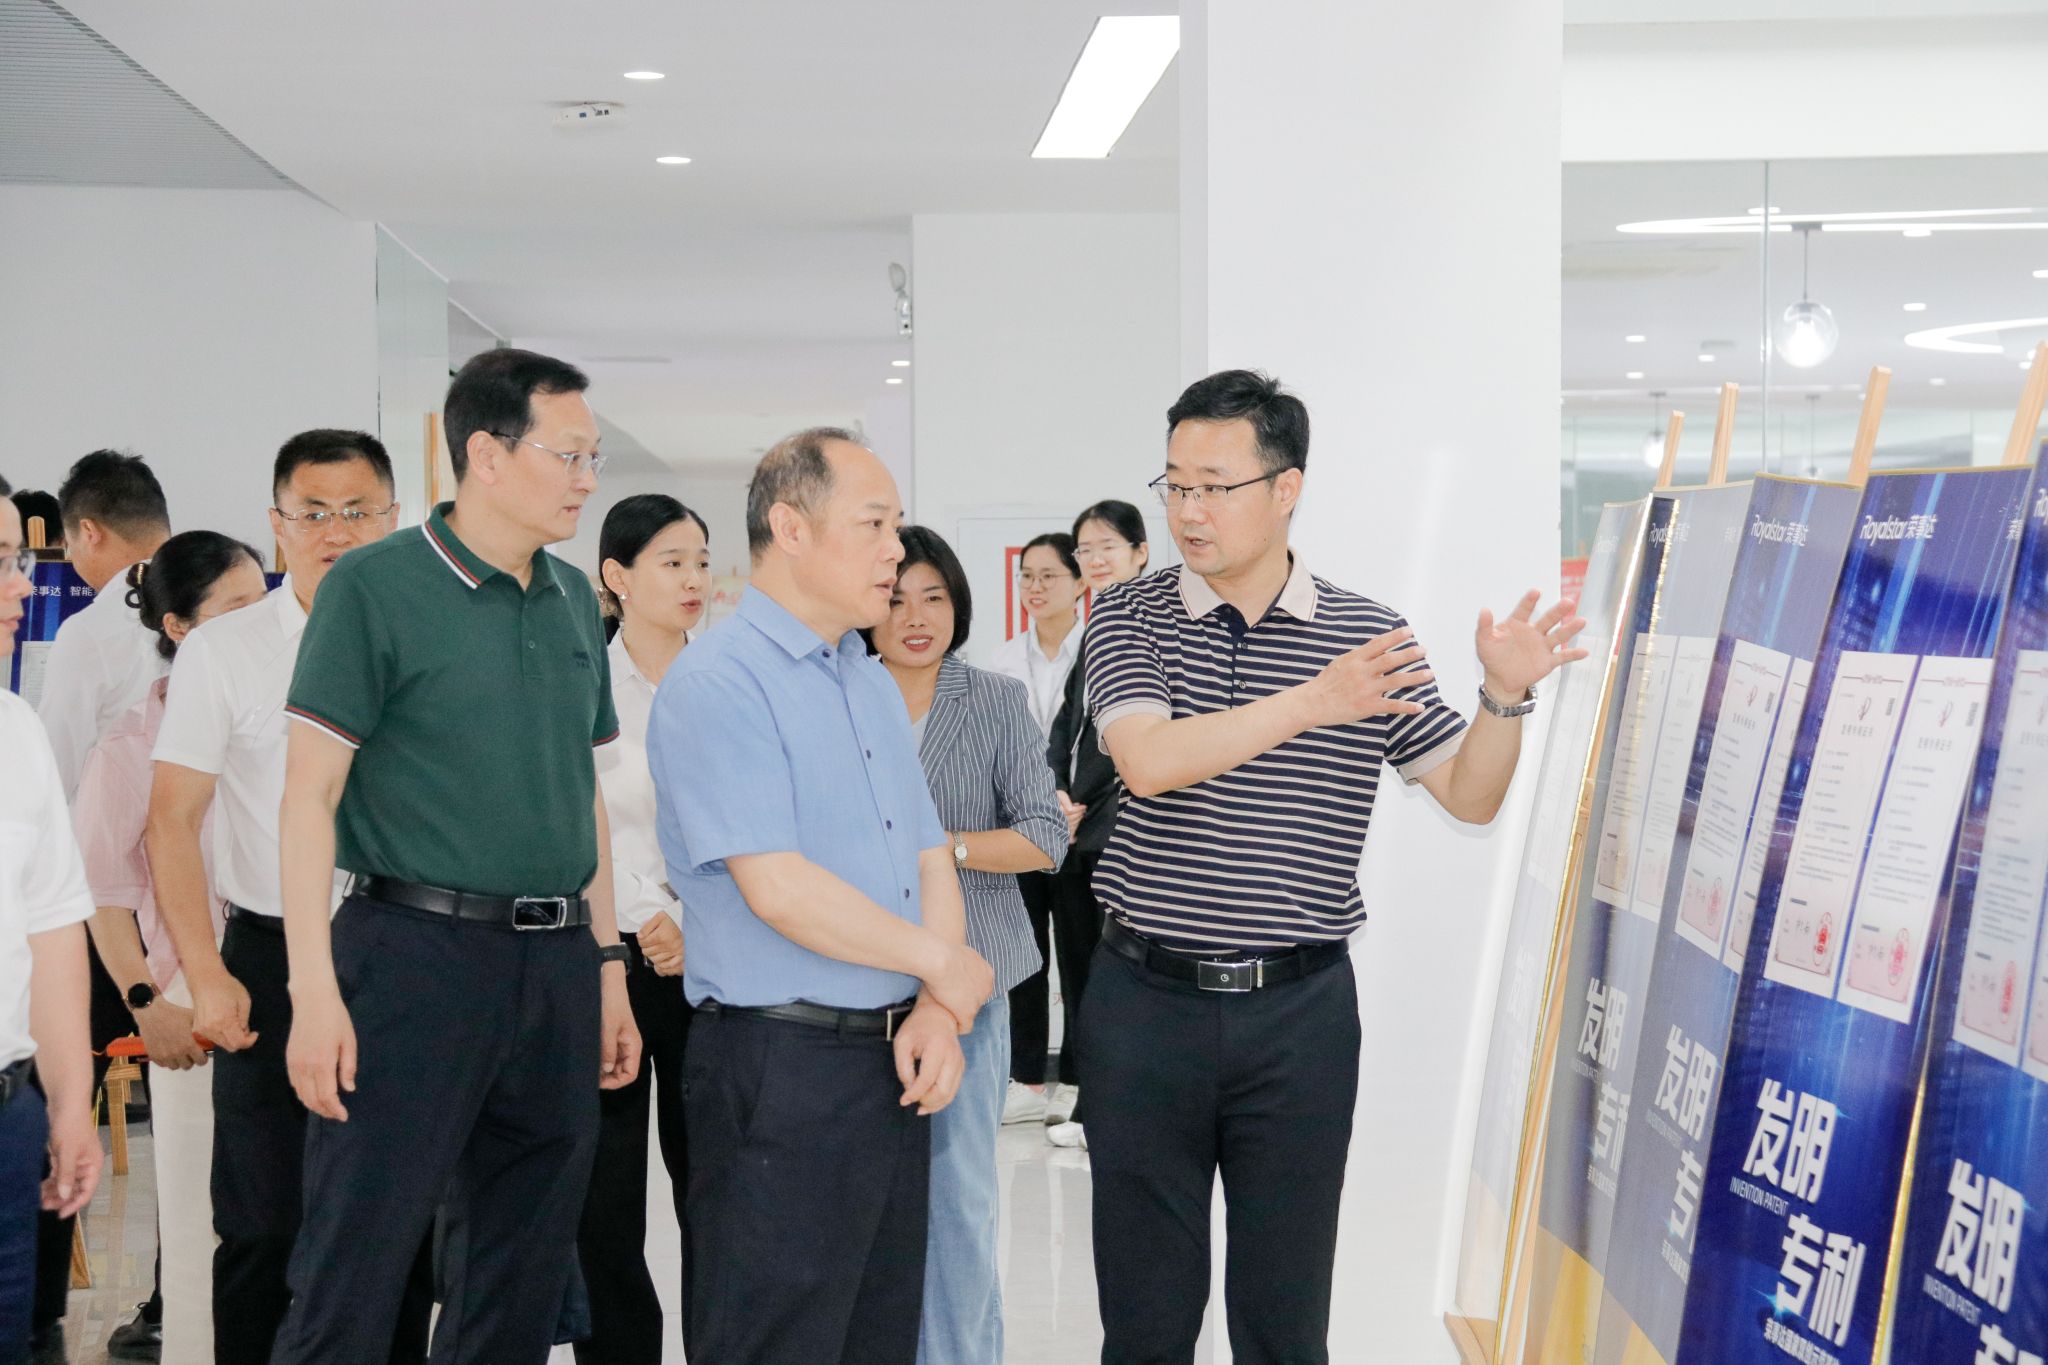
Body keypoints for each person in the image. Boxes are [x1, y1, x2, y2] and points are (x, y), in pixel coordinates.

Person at [1083, 370, 1587, 1364]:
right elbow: (1146, 761)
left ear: (1286, 488)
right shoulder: (1131, 615)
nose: (1188, 510)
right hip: (1144, 1006)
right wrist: (1313, 702)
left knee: (1285, 1318)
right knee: (1145, 1319)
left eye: (1214, 486)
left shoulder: (1365, 637)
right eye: (1175, 484)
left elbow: (1469, 794)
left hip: (1298, 1017)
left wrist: (1500, 698)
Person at [270, 350, 639, 1364]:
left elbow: (583, 795)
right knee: (356, 1259)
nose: (586, 479)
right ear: (486, 453)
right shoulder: (374, 587)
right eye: (568, 455)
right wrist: (313, 991)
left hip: (556, 963)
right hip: (412, 956)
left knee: (521, 1269)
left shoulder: (573, 598)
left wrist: (606, 967)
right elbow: (307, 798)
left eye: (593, 457)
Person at [647, 428, 994, 1365]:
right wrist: (943, 964)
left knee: (877, 1334)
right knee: (776, 1339)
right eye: (874, 524)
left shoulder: (866, 679)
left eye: (897, 525)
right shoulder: (720, 681)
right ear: (791, 529)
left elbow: (929, 855)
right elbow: (779, 889)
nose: (895, 549)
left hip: (889, 1063)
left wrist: (936, 1006)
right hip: (779, 1067)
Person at [142, 430, 431, 1365]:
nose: (336, 532)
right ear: (278, 525)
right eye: (314, 513)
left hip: (405, 952)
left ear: (395, 519)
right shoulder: (225, 651)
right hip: (267, 960)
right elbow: (171, 822)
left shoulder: (428, 641)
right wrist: (205, 973)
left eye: (359, 512)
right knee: (264, 1224)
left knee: (399, 1232)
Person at [863, 525, 1068, 1364]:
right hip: (857, 986)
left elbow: (1046, 835)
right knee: (865, 1206)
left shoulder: (992, 699)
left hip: (968, 987)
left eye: (934, 597)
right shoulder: (840, 693)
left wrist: (940, 849)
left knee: (957, 1204)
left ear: (959, 604)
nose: (915, 617)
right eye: (895, 599)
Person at [75, 532, 269, 1362]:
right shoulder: (130, 746)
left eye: (265, 602)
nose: (261, 624)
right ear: (180, 628)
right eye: (238, 608)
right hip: (189, 1002)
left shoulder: (280, 719)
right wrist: (147, 1002)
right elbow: (105, 894)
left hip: (290, 979)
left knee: (290, 1222)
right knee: (200, 1230)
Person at [576, 493, 708, 1364]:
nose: (693, 578)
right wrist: (643, 915)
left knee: (716, 1192)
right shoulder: (580, 680)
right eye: (672, 562)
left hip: (716, 956)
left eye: (700, 560)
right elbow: (572, 814)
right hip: (605, 959)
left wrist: (691, 919)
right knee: (604, 1202)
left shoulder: (730, 679)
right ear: (616, 577)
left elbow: (757, 820)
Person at [0, 475, 103, 1360]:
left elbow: (54, 926)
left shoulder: (17, 732)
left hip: (8, 1119)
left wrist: (70, 1106)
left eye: (19, 560)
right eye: (1, 561)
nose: (21, 587)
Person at [1041, 499, 1152, 1150]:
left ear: (1141, 552)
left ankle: (1109, 1110)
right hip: (1075, 833)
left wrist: (1079, 796)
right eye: (1085, 550)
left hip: (1118, 831)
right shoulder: (1096, 628)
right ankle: (1087, 1101)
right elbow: (1067, 724)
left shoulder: (1154, 625)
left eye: (1108, 546)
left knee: (1118, 981)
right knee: (1080, 973)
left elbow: (1135, 737)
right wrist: (1055, 790)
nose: (1096, 559)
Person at [989, 531, 1084, 1129]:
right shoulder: (1000, 661)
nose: (1035, 587)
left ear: (1079, 583)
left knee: (1080, 961)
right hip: (1020, 832)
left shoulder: (1101, 653)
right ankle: (1025, 1077)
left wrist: (1075, 805)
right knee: (1025, 958)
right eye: (1027, 576)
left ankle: (1074, 1080)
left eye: (1049, 575)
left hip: (1081, 833)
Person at [40, 450, 172, 798]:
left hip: (113, 823)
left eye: (69, 545)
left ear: (88, 531)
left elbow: (53, 772)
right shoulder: (221, 599)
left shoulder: (90, 631)